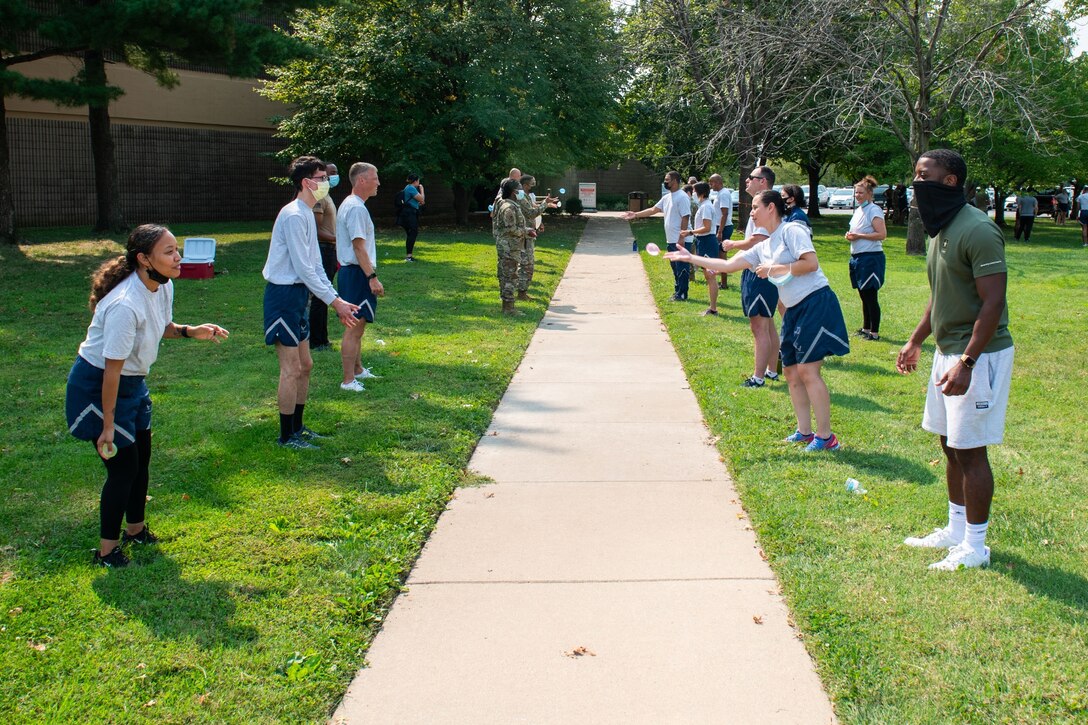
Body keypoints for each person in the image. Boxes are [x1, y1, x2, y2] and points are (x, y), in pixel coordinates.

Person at [65, 224, 229, 567]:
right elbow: (111, 369)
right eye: (169, 252)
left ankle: (135, 530)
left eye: (176, 249)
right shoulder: (125, 304)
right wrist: (107, 425)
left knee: (141, 461)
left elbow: (161, 326)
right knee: (123, 469)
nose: (178, 257)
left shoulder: (161, 285)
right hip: (98, 388)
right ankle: (106, 552)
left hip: (132, 383)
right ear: (143, 259)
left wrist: (187, 331)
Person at [897, 148, 1014, 571]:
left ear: (949, 181)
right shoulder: (940, 229)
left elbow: (993, 303)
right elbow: (940, 295)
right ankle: (956, 528)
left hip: (977, 355)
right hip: (948, 352)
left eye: (922, 175)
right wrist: (915, 341)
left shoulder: (979, 230)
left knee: (970, 451)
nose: (915, 183)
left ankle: (976, 548)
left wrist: (966, 363)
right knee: (949, 444)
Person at [666, 190, 849, 451]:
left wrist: (775, 270)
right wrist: (689, 257)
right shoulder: (763, 246)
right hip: (795, 309)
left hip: (816, 303)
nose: (751, 212)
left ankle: (826, 437)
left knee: (809, 371)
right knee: (790, 371)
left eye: (754, 207)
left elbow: (811, 263)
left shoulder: (792, 231)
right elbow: (729, 265)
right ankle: (805, 432)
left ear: (771, 208)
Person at [263, 156, 360, 449]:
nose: (326, 182)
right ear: (306, 182)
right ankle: (286, 436)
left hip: (299, 295)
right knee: (291, 368)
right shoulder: (293, 214)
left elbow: (315, 265)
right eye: (321, 178)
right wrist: (335, 303)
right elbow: (304, 268)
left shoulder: (306, 212)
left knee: (306, 364)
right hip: (283, 296)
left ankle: (298, 426)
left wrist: (337, 298)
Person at [722, 166, 781, 387]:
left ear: (763, 182)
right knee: (767, 325)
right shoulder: (761, 207)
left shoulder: (766, 209)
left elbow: (756, 241)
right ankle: (772, 371)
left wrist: (731, 244)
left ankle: (758, 378)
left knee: (759, 327)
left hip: (761, 274)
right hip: (758, 271)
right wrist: (726, 265)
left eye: (751, 178)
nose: (746, 181)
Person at [337, 162, 385, 392]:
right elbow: (358, 247)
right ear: (362, 180)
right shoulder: (356, 208)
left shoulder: (353, 205)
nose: (378, 182)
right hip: (356, 274)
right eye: (375, 178)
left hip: (354, 273)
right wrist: (372, 277)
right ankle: (348, 381)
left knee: (360, 326)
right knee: (353, 327)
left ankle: (357, 370)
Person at [623, 171, 691, 301]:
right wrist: (635, 214)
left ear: (675, 181)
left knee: (682, 267)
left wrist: (681, 238)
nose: (665, 182)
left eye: (667, 180)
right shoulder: (667, 197)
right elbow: (653, 210)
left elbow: (685, 217)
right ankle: (678, 292)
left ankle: (682, 294)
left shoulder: (682, 197)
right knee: (675, 267)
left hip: (681, 240)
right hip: (671, 239)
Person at [846, 176, 888, 341]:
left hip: (871, 258)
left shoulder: (874, 210)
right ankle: (866, 328)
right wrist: (850, 236)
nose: (858, 195)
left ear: (870, 193)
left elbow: (882, 235)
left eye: (861, 192)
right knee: (863, 294)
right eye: (856, 192)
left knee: (870, 295)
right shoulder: (858, 211)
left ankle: (874, 332)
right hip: (857, 258)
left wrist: (859, 236)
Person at [493, 177, 534, 316]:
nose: (522, 191)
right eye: (520, 189)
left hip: (511, 247)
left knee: (508, 275)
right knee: (510, 277)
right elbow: (511, 229)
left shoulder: (510, 205)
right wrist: (526, 231)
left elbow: (514, 227)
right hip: (509, 248)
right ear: (513, 192)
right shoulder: (508, 207)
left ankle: (508, 306)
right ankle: (508, 308)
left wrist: (526, 230)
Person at [309, 163, 339, 351]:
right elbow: (316, 230)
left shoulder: (326, 196)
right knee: (321, 295)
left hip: (330, 249)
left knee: (324, 293)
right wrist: (339, 239)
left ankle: (322, 338)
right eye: (330, 173)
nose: (334, 176)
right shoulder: (319, 198)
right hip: (324, 249)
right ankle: (317, 340)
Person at [679, 182, 720, 316]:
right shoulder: (703, 206)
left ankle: (713, 309)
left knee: (710, 276)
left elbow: (707, 227)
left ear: (701, 193)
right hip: (703, 241)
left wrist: (690, 232)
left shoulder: (706, 207)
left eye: (695, 191)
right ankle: (712, 307)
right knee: (708, 276)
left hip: (708, 242)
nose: (693, 194)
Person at [709, 174, 733, 289]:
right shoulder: (721, 193)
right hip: (720, 227)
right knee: (719, 254)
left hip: (724, 227)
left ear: (718, 182)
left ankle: (724, 283)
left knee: (722, 255)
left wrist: (720, 232)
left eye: (712, 182)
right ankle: (722, 281)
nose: (711, 185)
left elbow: (725, 213)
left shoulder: (723, 194)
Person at [399, 173, 425, 262]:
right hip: (409, 214)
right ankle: (408, 256)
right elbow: (422, 199)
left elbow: (420, 202)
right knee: (412, 233)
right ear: (416, 181)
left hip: (409, 213)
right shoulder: (411, 188)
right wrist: (422, 190)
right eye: (418, 181)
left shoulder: (408, 188)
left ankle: (409, 255)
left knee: (412, 233)